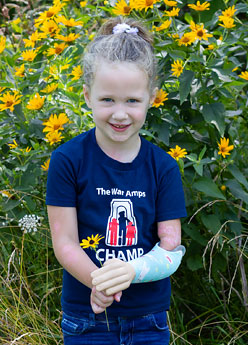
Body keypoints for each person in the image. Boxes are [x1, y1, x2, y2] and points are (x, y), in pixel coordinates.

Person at [46, 16, 187, 345]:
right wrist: (99, 282)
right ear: (87, 96)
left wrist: (131, 271)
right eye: (107, 100)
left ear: (152, 97)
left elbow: (171, 246)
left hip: (149, 319)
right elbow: (65, 242)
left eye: (132, 101)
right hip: (87, 316)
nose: (120, 114)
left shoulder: (163, 167)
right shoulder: (67, 160)